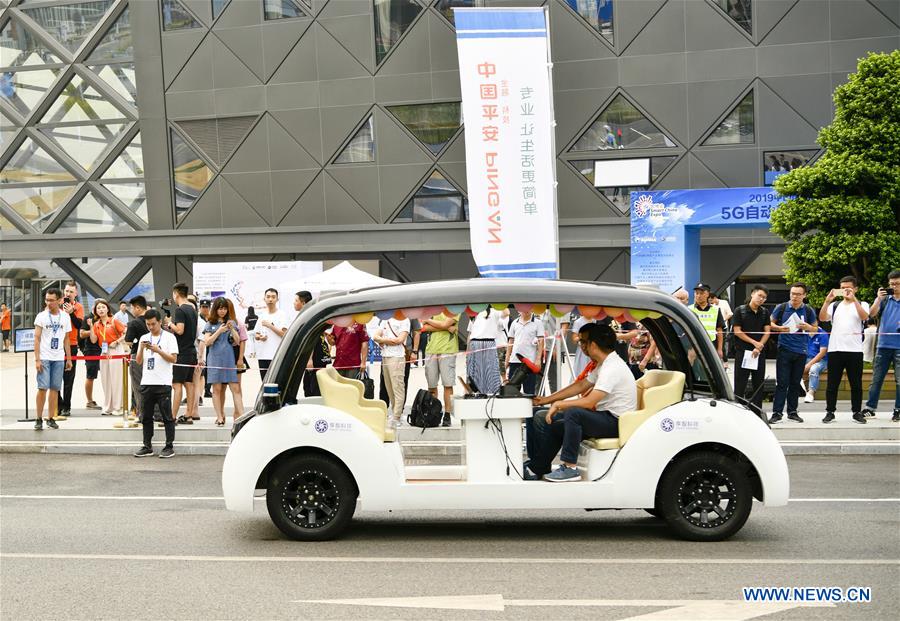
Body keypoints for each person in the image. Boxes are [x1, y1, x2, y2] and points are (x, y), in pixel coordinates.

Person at [539, 323, 637, 482]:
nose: (581, 346)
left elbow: (589, 401)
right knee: (558, 426)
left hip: (615, 422)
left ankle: (570, 468)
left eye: (583, 342)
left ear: (593, 344)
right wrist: (546, 400)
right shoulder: (604, 364)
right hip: (605, 418)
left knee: (574, 413)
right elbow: (580, 385)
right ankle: (538, 468)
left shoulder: (612, 368)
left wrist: (559, 405)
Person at [819, 276, 870, 424]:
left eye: (849, 288)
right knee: (832, 383)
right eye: (843, 288)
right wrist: (827, 300)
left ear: (855, 289)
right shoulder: (834, 305)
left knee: (856, 384)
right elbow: (822, 318)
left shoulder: (862, 303)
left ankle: (856, 412)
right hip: (835, 348)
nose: (846, 291)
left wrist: (854, 300)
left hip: (854, 349)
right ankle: (830, 411)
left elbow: (864, 317)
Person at [768, 283, 817, 423]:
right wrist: (779, 328)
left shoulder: (808, 310)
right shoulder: (782, 307)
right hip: (784, 349)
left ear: (804, 295)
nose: (794, 297)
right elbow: (770, 323)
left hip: (801, 351)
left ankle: (792, 411)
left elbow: (815, 329)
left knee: (795, 383)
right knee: (782, 383)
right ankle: (777, 413)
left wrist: (808, 327)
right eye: (792, 293)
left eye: (798, 294)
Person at [133, 309, 179, 459]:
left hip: (163, 382)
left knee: (167, 416)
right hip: (147, 382)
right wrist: (141, 347)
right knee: (146, 416)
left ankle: (169, 446)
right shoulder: (144, 337)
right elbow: (138, 361)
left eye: (153, 324)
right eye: (148, 324)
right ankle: (147, 445)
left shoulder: (169, 338)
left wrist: (158, 351)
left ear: (160, 322)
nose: (151, 327)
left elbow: (173, 359)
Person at [862, 270, 900, 421]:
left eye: (897, 284)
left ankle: (898, 409)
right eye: (891, 284)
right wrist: (878, 299)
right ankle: (870, 408)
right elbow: (870, 314)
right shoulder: (885, 299)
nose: (894, 287)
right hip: (883, 345)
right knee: (877, 378)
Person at [33, 288, 72, 430]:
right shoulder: (41, 316)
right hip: (44, 357)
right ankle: (38, 418)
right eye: (47, 300)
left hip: (59, 358)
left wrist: (69, 358)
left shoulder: (65, 317)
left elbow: (67, 339)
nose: (48, 303)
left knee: (55, 388)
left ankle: (50, 417)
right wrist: (37, 359)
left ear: (60, 300)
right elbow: (36, 338)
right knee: (42, 387)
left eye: (51, 300)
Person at [732, 285, 771, 416]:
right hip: (743, 352)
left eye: (764, 297)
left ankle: (757, 412)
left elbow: (767, 331)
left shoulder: (765, 312)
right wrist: (754, 342)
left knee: (758, 384)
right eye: (760, 295)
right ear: (753, 294)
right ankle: (738, 411)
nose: (762, 299)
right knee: (740, 384)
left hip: (759, 353)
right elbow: (737, 331)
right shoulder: (740, 310)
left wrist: (759, 346)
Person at [203, 298, 242, 426]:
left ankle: (241, 416)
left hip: (229, 359)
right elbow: (207, 342)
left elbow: (237, 341)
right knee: (217, 389)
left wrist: (231, 329)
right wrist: (219, 331)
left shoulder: (232, 322)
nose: (222, 311)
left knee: (235, 387)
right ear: (215, 309)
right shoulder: (210, 323)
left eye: (224, 308)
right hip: (214, 359)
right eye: (220, 308)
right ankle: (219, 417)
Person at [164, 283, 198, 425]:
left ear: (176, 293)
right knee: (189, 383)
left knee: (177, 384)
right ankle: (189, 415)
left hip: (182, 352)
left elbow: (180, 330)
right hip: (191, 351)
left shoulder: (180, 310)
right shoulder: (192, 309)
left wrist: (169, 323)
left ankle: (172, 416)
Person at [89, 299, 127, 415]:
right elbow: (94, 340)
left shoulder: (114, 321)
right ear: (95, 311)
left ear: (107, 309)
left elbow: (126, 332)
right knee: (106, 379)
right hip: (104, 352)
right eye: (98, 308)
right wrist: (91, 326)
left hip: (116, 350)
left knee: (116, 379)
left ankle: (118, 407)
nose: (101, 310)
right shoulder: (96, 324)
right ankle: (108, 406)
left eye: (103, 307)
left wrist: (117, 341)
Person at [422, 312, 460, 426]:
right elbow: (423, 327)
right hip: (431, 349)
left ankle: (447, 415)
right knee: (431, 385)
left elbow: (444, 324)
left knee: (447, 384)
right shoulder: (433, 308)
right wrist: (445, 327)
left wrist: (429, 320)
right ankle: (433, 413)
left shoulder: (454, 309)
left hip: (448, 349)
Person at [373, 313, 410, 427]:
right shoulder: (386, 319)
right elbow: (375, 336)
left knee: (398, 386)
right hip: (385, 356)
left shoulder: (405, 320)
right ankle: (394, 412)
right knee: (389, 387)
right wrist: (389, 340)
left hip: (397, 356)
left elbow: (400, 340)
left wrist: (383, 340)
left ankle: (397, 416)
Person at [58, 281, 84, 418]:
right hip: (56, 345)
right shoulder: (57, 304)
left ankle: (66, 406)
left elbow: (79, 324)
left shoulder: (78, 307)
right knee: (55, 377)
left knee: (68, 378)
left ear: (76, 293)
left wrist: (71, 313)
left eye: (71, 292)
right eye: (66, 291)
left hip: (72, 344)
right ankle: (58, 404)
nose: (68, 294)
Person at [466, 307, 504, 394]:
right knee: (474, 372)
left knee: (490, 371)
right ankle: (475, 393)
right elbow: (470, 333)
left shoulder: (495, 311)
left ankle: (491, 393)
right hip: (475, 343)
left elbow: (506, 312)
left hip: (488, 343)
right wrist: (467, 352)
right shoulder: (474, 312)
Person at [506, 309, 544, 396]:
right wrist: (507, 358)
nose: (526, 310)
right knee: (512, 390)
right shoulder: (515, 322)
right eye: (523, 308)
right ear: (519, 310)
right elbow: (511, 341)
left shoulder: (538, 323)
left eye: (528, 308)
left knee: (529, 391)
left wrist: (538, 359)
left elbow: (541, 341)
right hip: (515, 361)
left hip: (529, 362)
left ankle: (530, 408)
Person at [124, 296, 150, 421]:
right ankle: (153, 413)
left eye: (132, 308)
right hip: (153, 355)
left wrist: (135, 342)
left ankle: (142, 414)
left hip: (137, 356)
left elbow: (128, 341)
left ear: (138, 308)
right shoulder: (154, 319)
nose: (132, 310)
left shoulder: (134, 323)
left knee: (138, 386)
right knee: (151, 385)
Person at [253, 288, 288, 381]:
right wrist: (259, 337)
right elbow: (256, 334)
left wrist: (270, 326)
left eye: (273, 297)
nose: (270, 299)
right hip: (262, 355)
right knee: (264, 383)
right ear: (264, 299)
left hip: (276, 355)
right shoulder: (262, 315)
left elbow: (284, 334)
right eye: (268, 297)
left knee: (276, 383)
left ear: (277, 299)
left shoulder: (282, 315)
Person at [690, 283, 725, 362]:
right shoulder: (689, 309)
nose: (698, 296)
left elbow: (719, 330)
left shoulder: (716, 310)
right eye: (696, 293)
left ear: (707, 294)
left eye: (701, 293)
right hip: (694, 346)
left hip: (711, 345)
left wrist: (720, 349)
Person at [225, 298, 247, 419]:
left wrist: (240, 358)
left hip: (236, 353)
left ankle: (238, 411)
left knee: (237, 385)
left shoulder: (238, 322)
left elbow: (242, 341)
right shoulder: (218, 322)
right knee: (222, 386)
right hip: (222, 355)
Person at [803, 327, 829, 404]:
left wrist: (809, 365)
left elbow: (822, 353)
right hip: (805, 358)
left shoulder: (823, 334)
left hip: (822, 360)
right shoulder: (803, 332)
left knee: (814, 369)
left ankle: (810, 393)